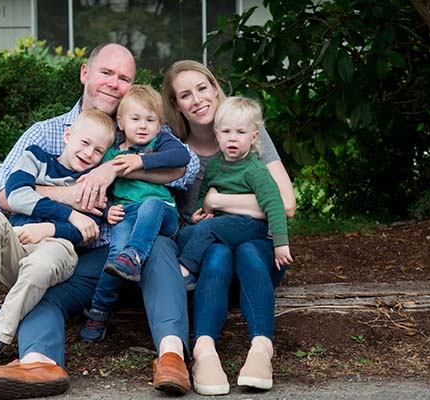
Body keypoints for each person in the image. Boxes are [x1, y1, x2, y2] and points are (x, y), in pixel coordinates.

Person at [0, 44, 200, 399]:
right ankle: (39, 363)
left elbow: (186, 167)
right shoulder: (50, 132)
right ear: (85, 73)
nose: (114, 84)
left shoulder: (138, 127)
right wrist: (70, 196)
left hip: (134, 253)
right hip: (79, 255)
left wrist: (114, 167)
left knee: (157, 244)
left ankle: (173, 357)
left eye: (124, 78)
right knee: (44, 289)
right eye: (106, 73)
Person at [0, 109, 116, 364]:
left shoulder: (93, 184)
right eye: (85, 143)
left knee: (41, 263)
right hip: (17, 242)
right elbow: (15, 195)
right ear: (67, 136)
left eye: (98, 151)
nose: (89, 153)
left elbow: (87, 231)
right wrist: (70, 213)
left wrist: (48, 229)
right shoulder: (36, 157)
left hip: (57, 249)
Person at [162, 60, 296, 396]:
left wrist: (219, 202)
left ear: (214, 87)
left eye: (202, 88)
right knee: (220, 253)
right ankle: (203, 351)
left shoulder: (248, 130)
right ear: (176, 105)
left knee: (249, 251)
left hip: (258, 257)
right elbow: (187, 213)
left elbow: (285, 204)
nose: (197, 99)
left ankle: (261, 350)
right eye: (185, 95)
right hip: (210, 262)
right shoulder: (176, 150)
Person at [79, 85, 193, 343]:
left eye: (151, 120)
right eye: (135, 119)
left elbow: (181, 155)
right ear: (120, 122)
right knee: (115, 255)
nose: (143, 126)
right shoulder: (110, 154)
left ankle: (135, 255)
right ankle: (99, 309)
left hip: (162, 213)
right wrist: (108, 209)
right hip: (126, 213)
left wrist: (140, 161)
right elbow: (101, 191)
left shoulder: (159, 143)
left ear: (159, 124)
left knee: (150, 204)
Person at [177, 96, 293, 276]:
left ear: (254, 137)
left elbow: (275, 204)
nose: (232, 138)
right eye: (226, 132)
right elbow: (203, 195)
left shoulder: (254, 169)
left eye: (240, 132)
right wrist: (199, 213)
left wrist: (280, 244)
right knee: (186, 234)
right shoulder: (214, 165)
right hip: (224, 223)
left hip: (249, 224)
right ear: (217, 134)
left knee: (208, 228)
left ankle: (185, 271)